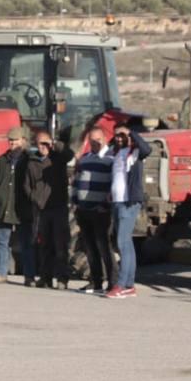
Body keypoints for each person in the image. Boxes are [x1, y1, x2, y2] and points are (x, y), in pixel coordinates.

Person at [23, 129, 74, 289]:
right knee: (45, 245)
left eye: (46, 143)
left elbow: (69, 155)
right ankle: (45, 278)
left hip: (59, 208)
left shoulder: (58, 159)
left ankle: (62, 279)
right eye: (40, 143)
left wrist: (55, 144)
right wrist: (36, 199)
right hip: (42, 210)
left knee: (60, 245)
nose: (43, 147)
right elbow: (26, 185)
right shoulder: (32, 162)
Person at [106, 123, 151, 298]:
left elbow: (147, 148)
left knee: (122, 242)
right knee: (127, 244)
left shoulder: (136, 153)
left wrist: (130, 132)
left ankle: (122, 284)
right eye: (117, 136)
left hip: (128, 203)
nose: (119, 139)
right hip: (117, 202)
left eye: (122, 136)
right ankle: (130, 284)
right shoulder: (116, 153)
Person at [72, 124, 116, 294]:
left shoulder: (111, 159)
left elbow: (114, 185)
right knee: (89, 247)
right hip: (84, 209)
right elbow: (77, 182)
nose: (95, 143)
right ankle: (95, 282)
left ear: (104, 139)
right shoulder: (85, 158)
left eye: (98, 140)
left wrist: (105, 205)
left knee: (104, 247)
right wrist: (75, 201)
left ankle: (113, 282)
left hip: (101, 210)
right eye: (92, 141)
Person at [0, 126, 28, 283]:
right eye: (10, 140)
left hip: (22, 209)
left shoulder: (30, 161)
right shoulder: (1, 161)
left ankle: (29, 276)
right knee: (3, 242)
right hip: (4, 208)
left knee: (26, 242)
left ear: (23, 141)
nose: (12, 143)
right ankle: (1, 273)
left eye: (15, 140)